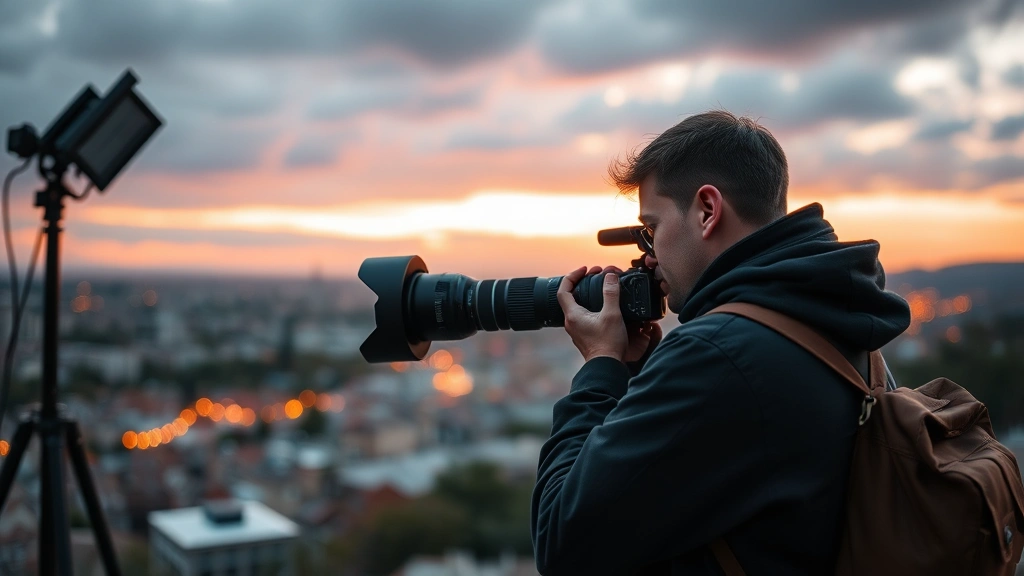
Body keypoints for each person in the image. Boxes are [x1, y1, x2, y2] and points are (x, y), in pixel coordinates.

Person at [530, 110, 912, 575]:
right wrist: (642, 372)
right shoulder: (826, 315)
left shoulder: (719, 353)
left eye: (652, 229)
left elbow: (562, 543)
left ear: (707, 210)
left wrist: (601, 365)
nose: (648, 257)